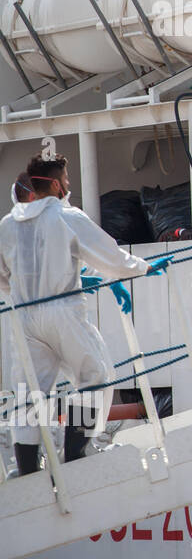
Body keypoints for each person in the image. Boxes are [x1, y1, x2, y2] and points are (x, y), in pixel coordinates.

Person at [0, 154, 170, 476]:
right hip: (62, 310)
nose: (68, 186)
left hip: (23, 316)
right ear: (54, 183)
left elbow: (2, 276)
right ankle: (77, 452)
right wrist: (143, 268)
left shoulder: (7, 225)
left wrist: (25, 293)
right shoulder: (65, 216)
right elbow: (109, 256)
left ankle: (26, 470)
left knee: (29, 392)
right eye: (65, 180)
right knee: (94, 375)